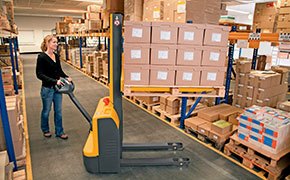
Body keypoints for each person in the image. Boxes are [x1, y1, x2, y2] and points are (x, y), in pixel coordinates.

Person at [36, 35, 72, 140]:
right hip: (47, 89)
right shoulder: (42, 57)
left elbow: (59, 70)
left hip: (58, 88)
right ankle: (45, 129)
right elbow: (39, 74)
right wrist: (54, 81)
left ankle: (59, 131)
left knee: (59, 111)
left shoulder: (56, 56)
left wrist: (66, 77)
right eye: (54, 42)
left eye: (56, 42)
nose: (56, 44)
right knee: (46, 111)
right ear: (47, 43)